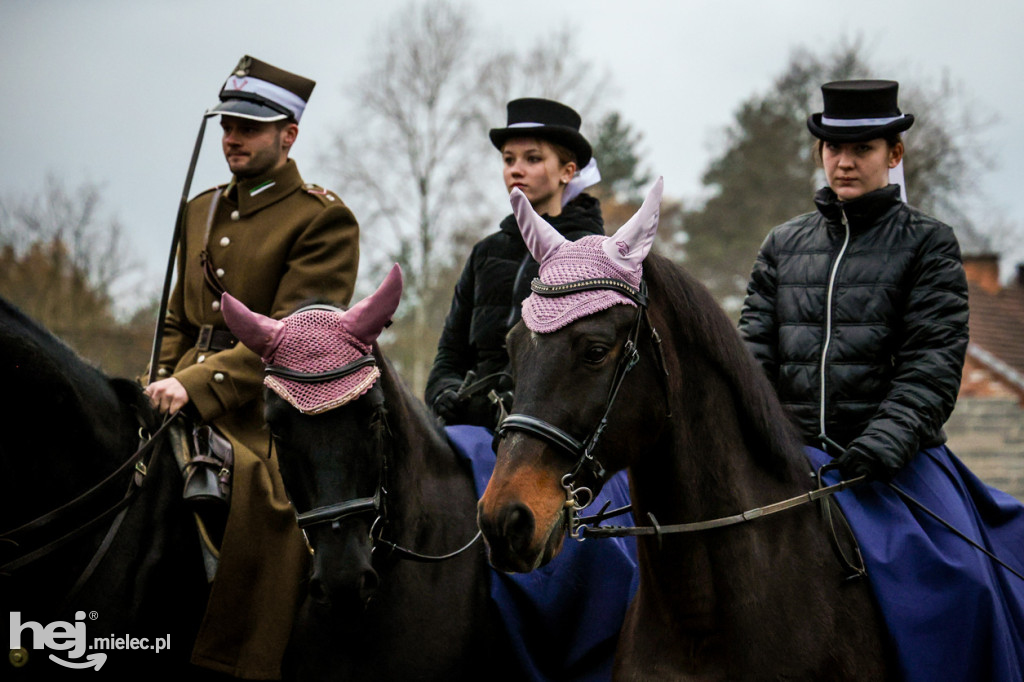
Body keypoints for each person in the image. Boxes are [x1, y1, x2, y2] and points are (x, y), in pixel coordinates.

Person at [739, 79, 1024, 681]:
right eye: (833, 148)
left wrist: (882, 445)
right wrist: (763, 439)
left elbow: (932, 364)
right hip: (790, 458)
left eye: (862, 148)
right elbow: (752, 358)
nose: (844, 162)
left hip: (893, 463)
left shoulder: (929, 243)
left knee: (966, 588)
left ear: (894, 154)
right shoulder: (782, 244)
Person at [145, 55, 359, 679]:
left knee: (272, 518)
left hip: (267, 412)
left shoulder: (321, 219)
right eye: (227, 125)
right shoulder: (201, 209)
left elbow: (293, 338)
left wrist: (192, 387)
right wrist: (156, 382)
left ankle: (244, 659)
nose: (231, 138)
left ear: (288, 135)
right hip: (176, 393)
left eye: (248, 127)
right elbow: (176, 319)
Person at [425, 97, 604, 428]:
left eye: (532, 159)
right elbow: (450, 353)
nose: (515, 170)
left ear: (567, 171)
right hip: (468, 424)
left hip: (544, 431)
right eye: (509, 159)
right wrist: (444, 392)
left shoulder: (592, 255)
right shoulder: (484, 253)